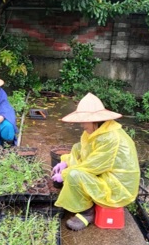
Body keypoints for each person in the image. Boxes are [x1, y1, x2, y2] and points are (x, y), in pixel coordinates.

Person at [52, 92, 140, 231]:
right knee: (76, 148)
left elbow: (92, 166)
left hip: (117, 187)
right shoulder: (97, 131)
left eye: (84, 120)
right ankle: (81, 194)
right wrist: (66, 161)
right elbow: (83, 151)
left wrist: (65, 174)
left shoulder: (110, 138)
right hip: (106, 174)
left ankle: (87, 213)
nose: (81, 125)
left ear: (95, 120)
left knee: (75, 174)